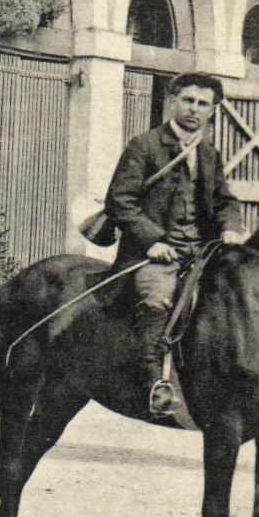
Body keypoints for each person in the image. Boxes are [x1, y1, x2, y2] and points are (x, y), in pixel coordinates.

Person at [104, 72, 243, 418]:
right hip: (154, 255)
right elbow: (120, 200)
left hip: (201, 251)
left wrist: (230, 229)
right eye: (188, 100)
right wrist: (151, 241)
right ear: (173, 100)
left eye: (203, 104)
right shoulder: (145, 145)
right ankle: (154, 383)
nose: (194, 109)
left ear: (212, 110)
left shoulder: (209, 154)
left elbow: (225, 200)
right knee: (158, 295)